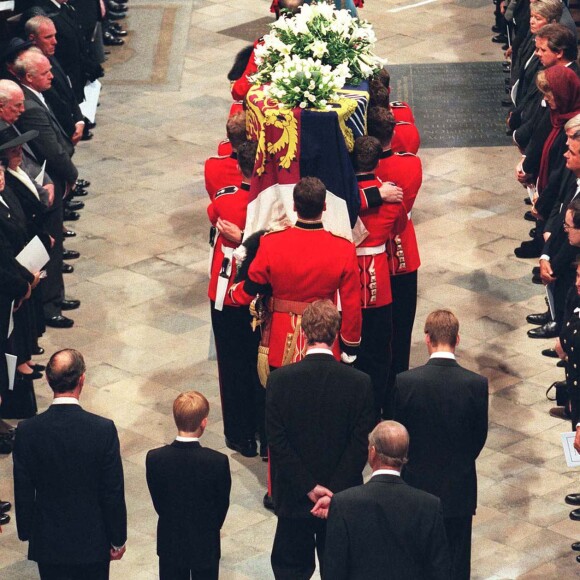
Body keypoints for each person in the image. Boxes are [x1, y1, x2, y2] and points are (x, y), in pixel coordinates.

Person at [266, 299, 374, 580]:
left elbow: (277, 442)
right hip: (341, 499)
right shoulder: (359, 383)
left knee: (291, 571)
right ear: (337, 333)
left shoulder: (280, 381)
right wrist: (330, 492)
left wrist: (309, 487)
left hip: (294, 496)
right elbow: (359, 445)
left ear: (303, 333)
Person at [13, 348, 127, 579]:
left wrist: (27, 531)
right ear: (82, 379)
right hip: (93, 541)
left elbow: (23, 489)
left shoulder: (28, 431)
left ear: (47, 379)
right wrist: (117, 538)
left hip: (49, 542)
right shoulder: (102, 430)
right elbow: (112, 490)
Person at [393, 309, 488, 580]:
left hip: (416, 487)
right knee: (457, 564)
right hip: (459, 489)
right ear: (457, 339)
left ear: (426, 338)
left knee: (417, 562)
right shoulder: (476, 384)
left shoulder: (405, 382)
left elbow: (400, 436)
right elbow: (478, 438)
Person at [229, 176, 362, 370]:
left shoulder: (271, 243)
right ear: (324, 206)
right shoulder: (343, 248)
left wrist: (234, 292)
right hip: (325, 340)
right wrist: (350, 343)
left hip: (280, 343)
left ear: (294, 206)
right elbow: (351, 303)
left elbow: (252, 284)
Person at [323, 421, 451, 580]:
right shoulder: (429, 506)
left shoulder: (343, 504)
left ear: (372, 452)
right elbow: (439, 571)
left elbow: (333, 572)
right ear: (405, 455)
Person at [13, 49, 79, 328]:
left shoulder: (34, 97)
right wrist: (71, 174)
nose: (52, 75)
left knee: (56, 243)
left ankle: (57, 295)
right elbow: (49, 149)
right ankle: (49, 305)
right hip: (43, 184)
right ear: (29, 76)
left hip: (49, 182)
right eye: (45, 72)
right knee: (48, 244)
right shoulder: (27, 105)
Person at [208, 140, 265, 458]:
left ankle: (238, 433)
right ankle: (259, 425)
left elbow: (212, 212)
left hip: (227, 290)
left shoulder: (224, 198)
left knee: (231, 365)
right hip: (253, 290)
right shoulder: (264, 208)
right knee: (257, 362)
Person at [146, 391, 231, 580]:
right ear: (204, 422)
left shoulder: (155, 459)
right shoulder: (217, 461)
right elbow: (221, 505)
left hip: (171, 541)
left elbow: (159, 502)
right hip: (205, 541)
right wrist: (209, 527)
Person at [351, 136, 407, 419]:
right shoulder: (391, 199)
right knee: (379, 349)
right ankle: (377, 407)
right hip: (379, 280)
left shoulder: (344, 197)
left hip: (349, 278)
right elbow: (398, 227)